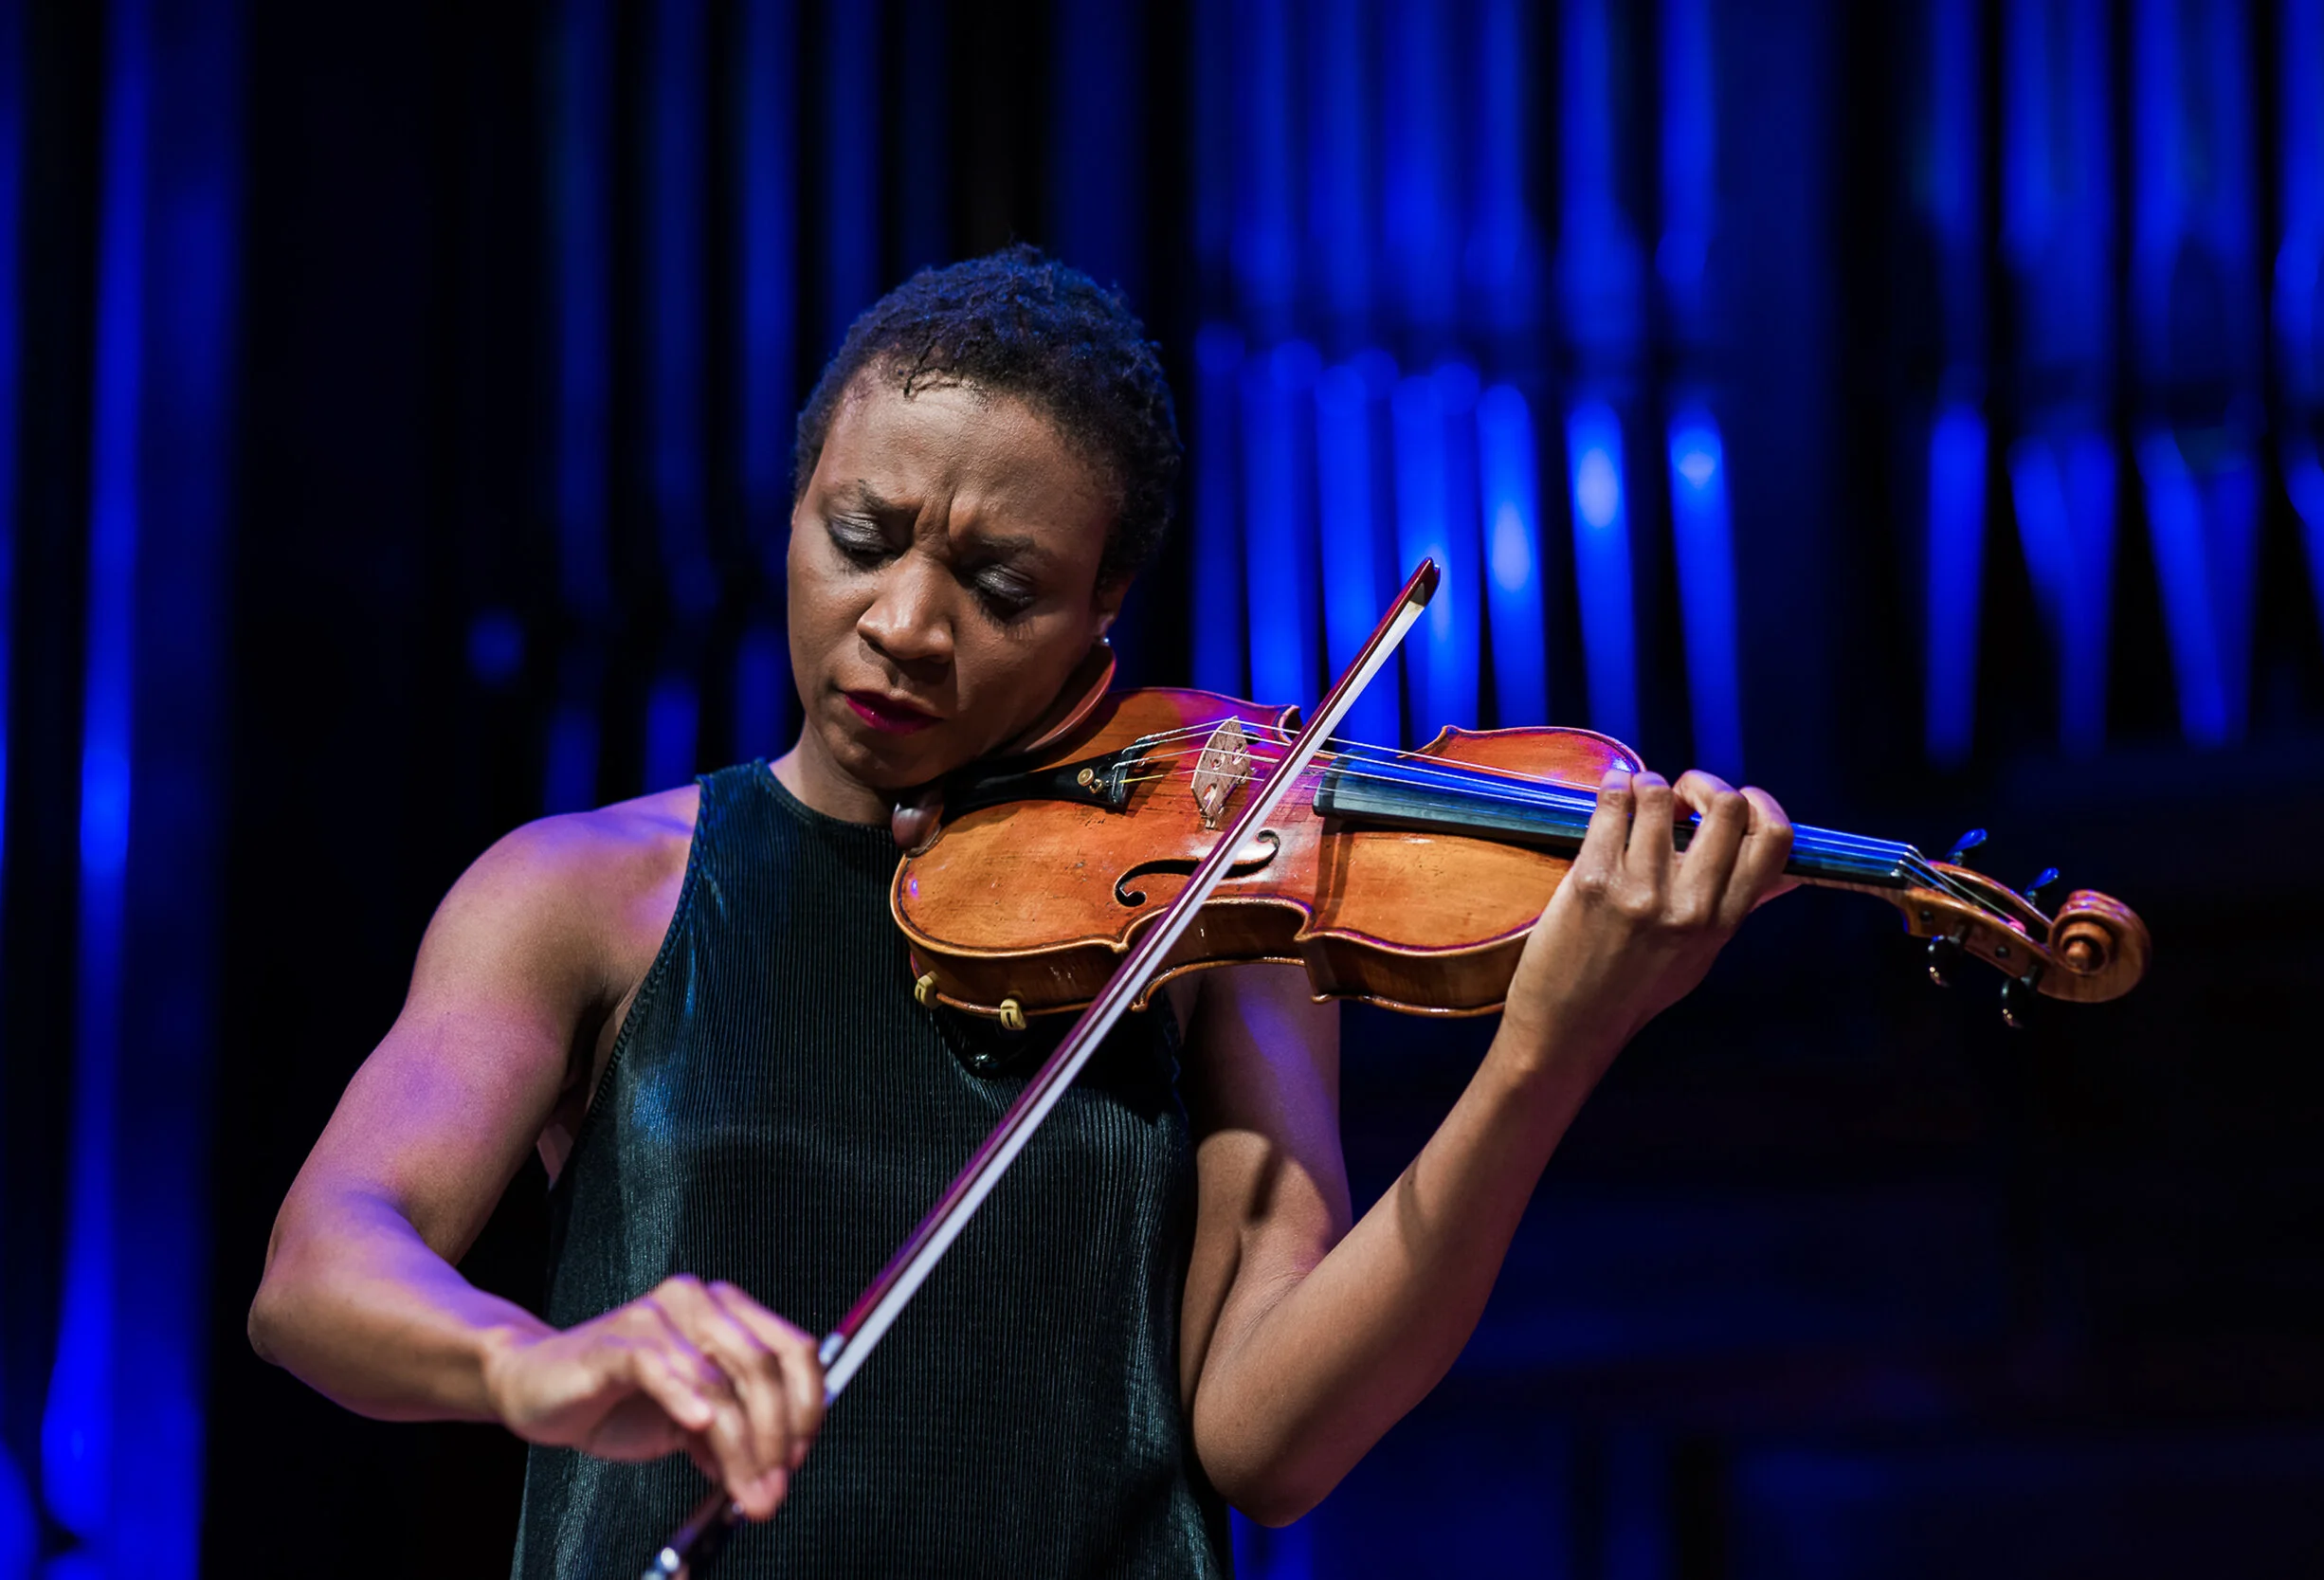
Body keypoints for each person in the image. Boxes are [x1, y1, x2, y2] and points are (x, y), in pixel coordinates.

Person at [247, 246, 1795, 1577]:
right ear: (795, 508)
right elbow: (324, 1264)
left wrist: (1543, 1057)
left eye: (1000, 585)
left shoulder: (1212, 924)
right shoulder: (588, 891)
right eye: (860, 538)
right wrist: (536, 1362)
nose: (906, 623)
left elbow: (1268, 1437)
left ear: (1099, 615)